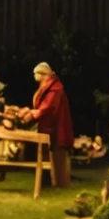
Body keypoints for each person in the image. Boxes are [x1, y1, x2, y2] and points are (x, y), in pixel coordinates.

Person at [19, 61, 73, 189]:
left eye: (36, 73)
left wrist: (33, 114)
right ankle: (47, 181)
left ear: (43, 74)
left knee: (58, 153)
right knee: (45, 154)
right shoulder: (46, 85)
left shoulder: (55, 88)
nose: (34, 75)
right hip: (47, 125)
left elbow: (48, 106)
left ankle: (61, 183)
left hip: (57, 125)